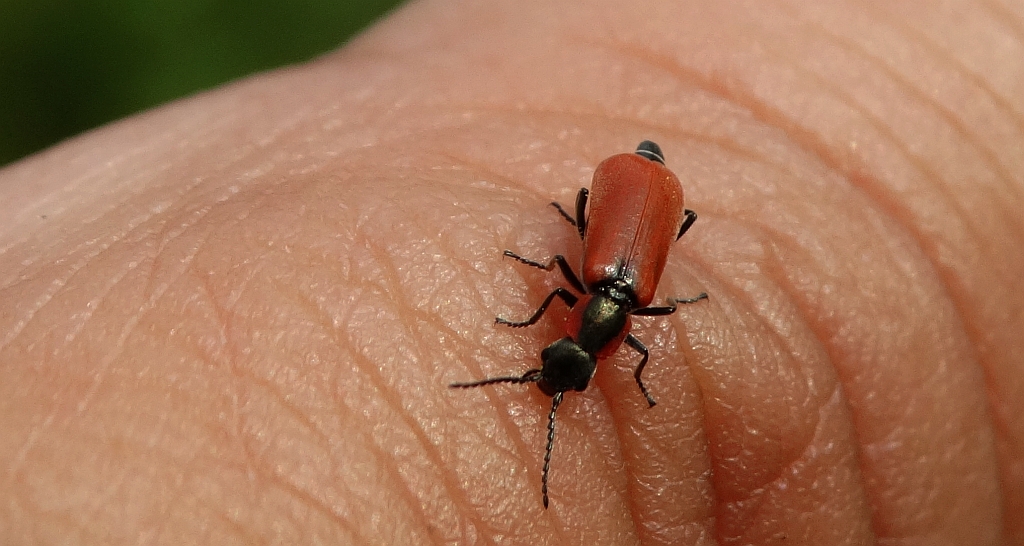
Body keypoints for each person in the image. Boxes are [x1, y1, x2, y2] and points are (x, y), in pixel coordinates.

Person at [0, 1, 1019, 543]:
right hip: (637, 201)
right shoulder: (616, 305)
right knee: (596, 247)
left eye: (560, 343)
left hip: (635, 197)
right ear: (591, 342)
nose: (566, 338)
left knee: (586, 244)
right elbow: (586, 308)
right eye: (573, 350)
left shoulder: (596, 298)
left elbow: (571, 297)